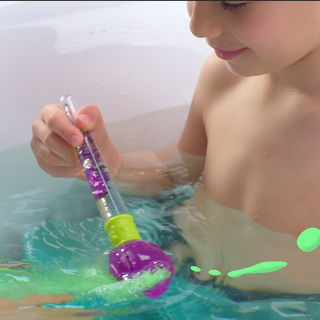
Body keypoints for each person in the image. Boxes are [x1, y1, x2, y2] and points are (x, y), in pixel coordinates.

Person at [31, 1, 320, 294]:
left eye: (233, 2)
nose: (197, 26)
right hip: (174, 267)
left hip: (275, 307)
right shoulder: (225, 77)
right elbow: (177, 173)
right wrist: (111, 165)